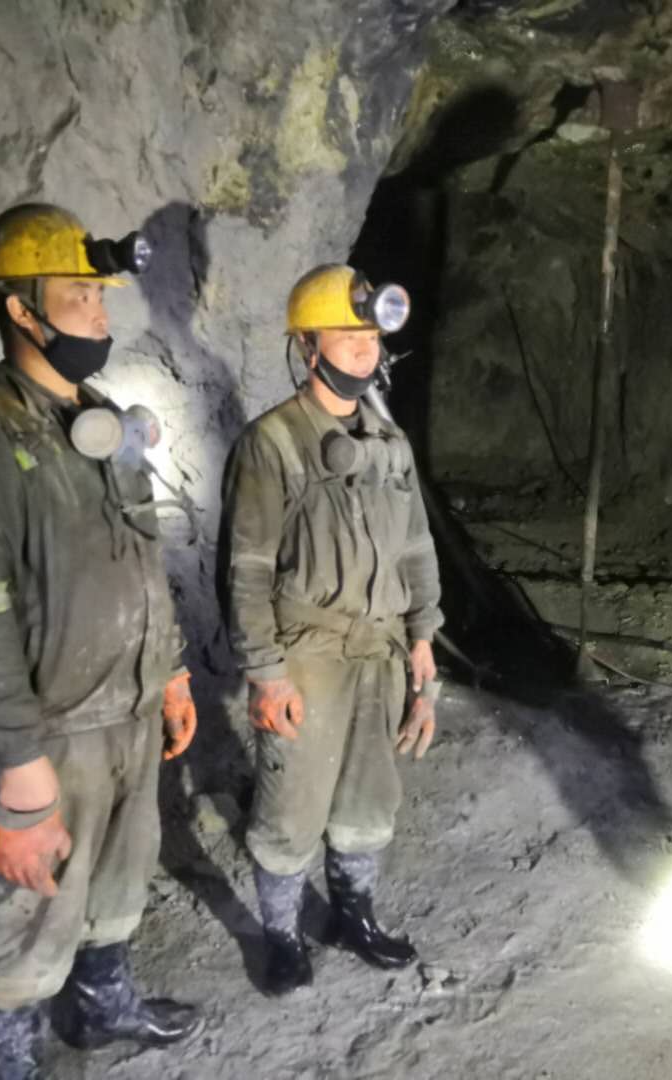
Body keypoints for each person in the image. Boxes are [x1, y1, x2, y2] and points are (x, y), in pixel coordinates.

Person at [0, 203, 200, 1078]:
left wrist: (172, 669)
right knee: (34, 907)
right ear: (21, 309)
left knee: (118, 879)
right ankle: (12, 1062)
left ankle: (104, 1009)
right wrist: (20, 766)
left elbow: (143, 557)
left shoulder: (101, 419)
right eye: (80, 295)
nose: (99, 314)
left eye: (101, 296)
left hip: (129, 706)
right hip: (54, 730)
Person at [222, 264, 443, 996]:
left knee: (368, 799)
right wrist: (266, 675)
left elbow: (417, 548)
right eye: (345, 333)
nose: (362, 346)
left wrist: (422, 636)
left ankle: (354, 916)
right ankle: (282, 937)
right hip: (308, 654)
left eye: (369, 333)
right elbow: (247, 572)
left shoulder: (390, 442)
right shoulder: (273, 442)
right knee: (291, 804)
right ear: (306, 345)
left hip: (381, 652)